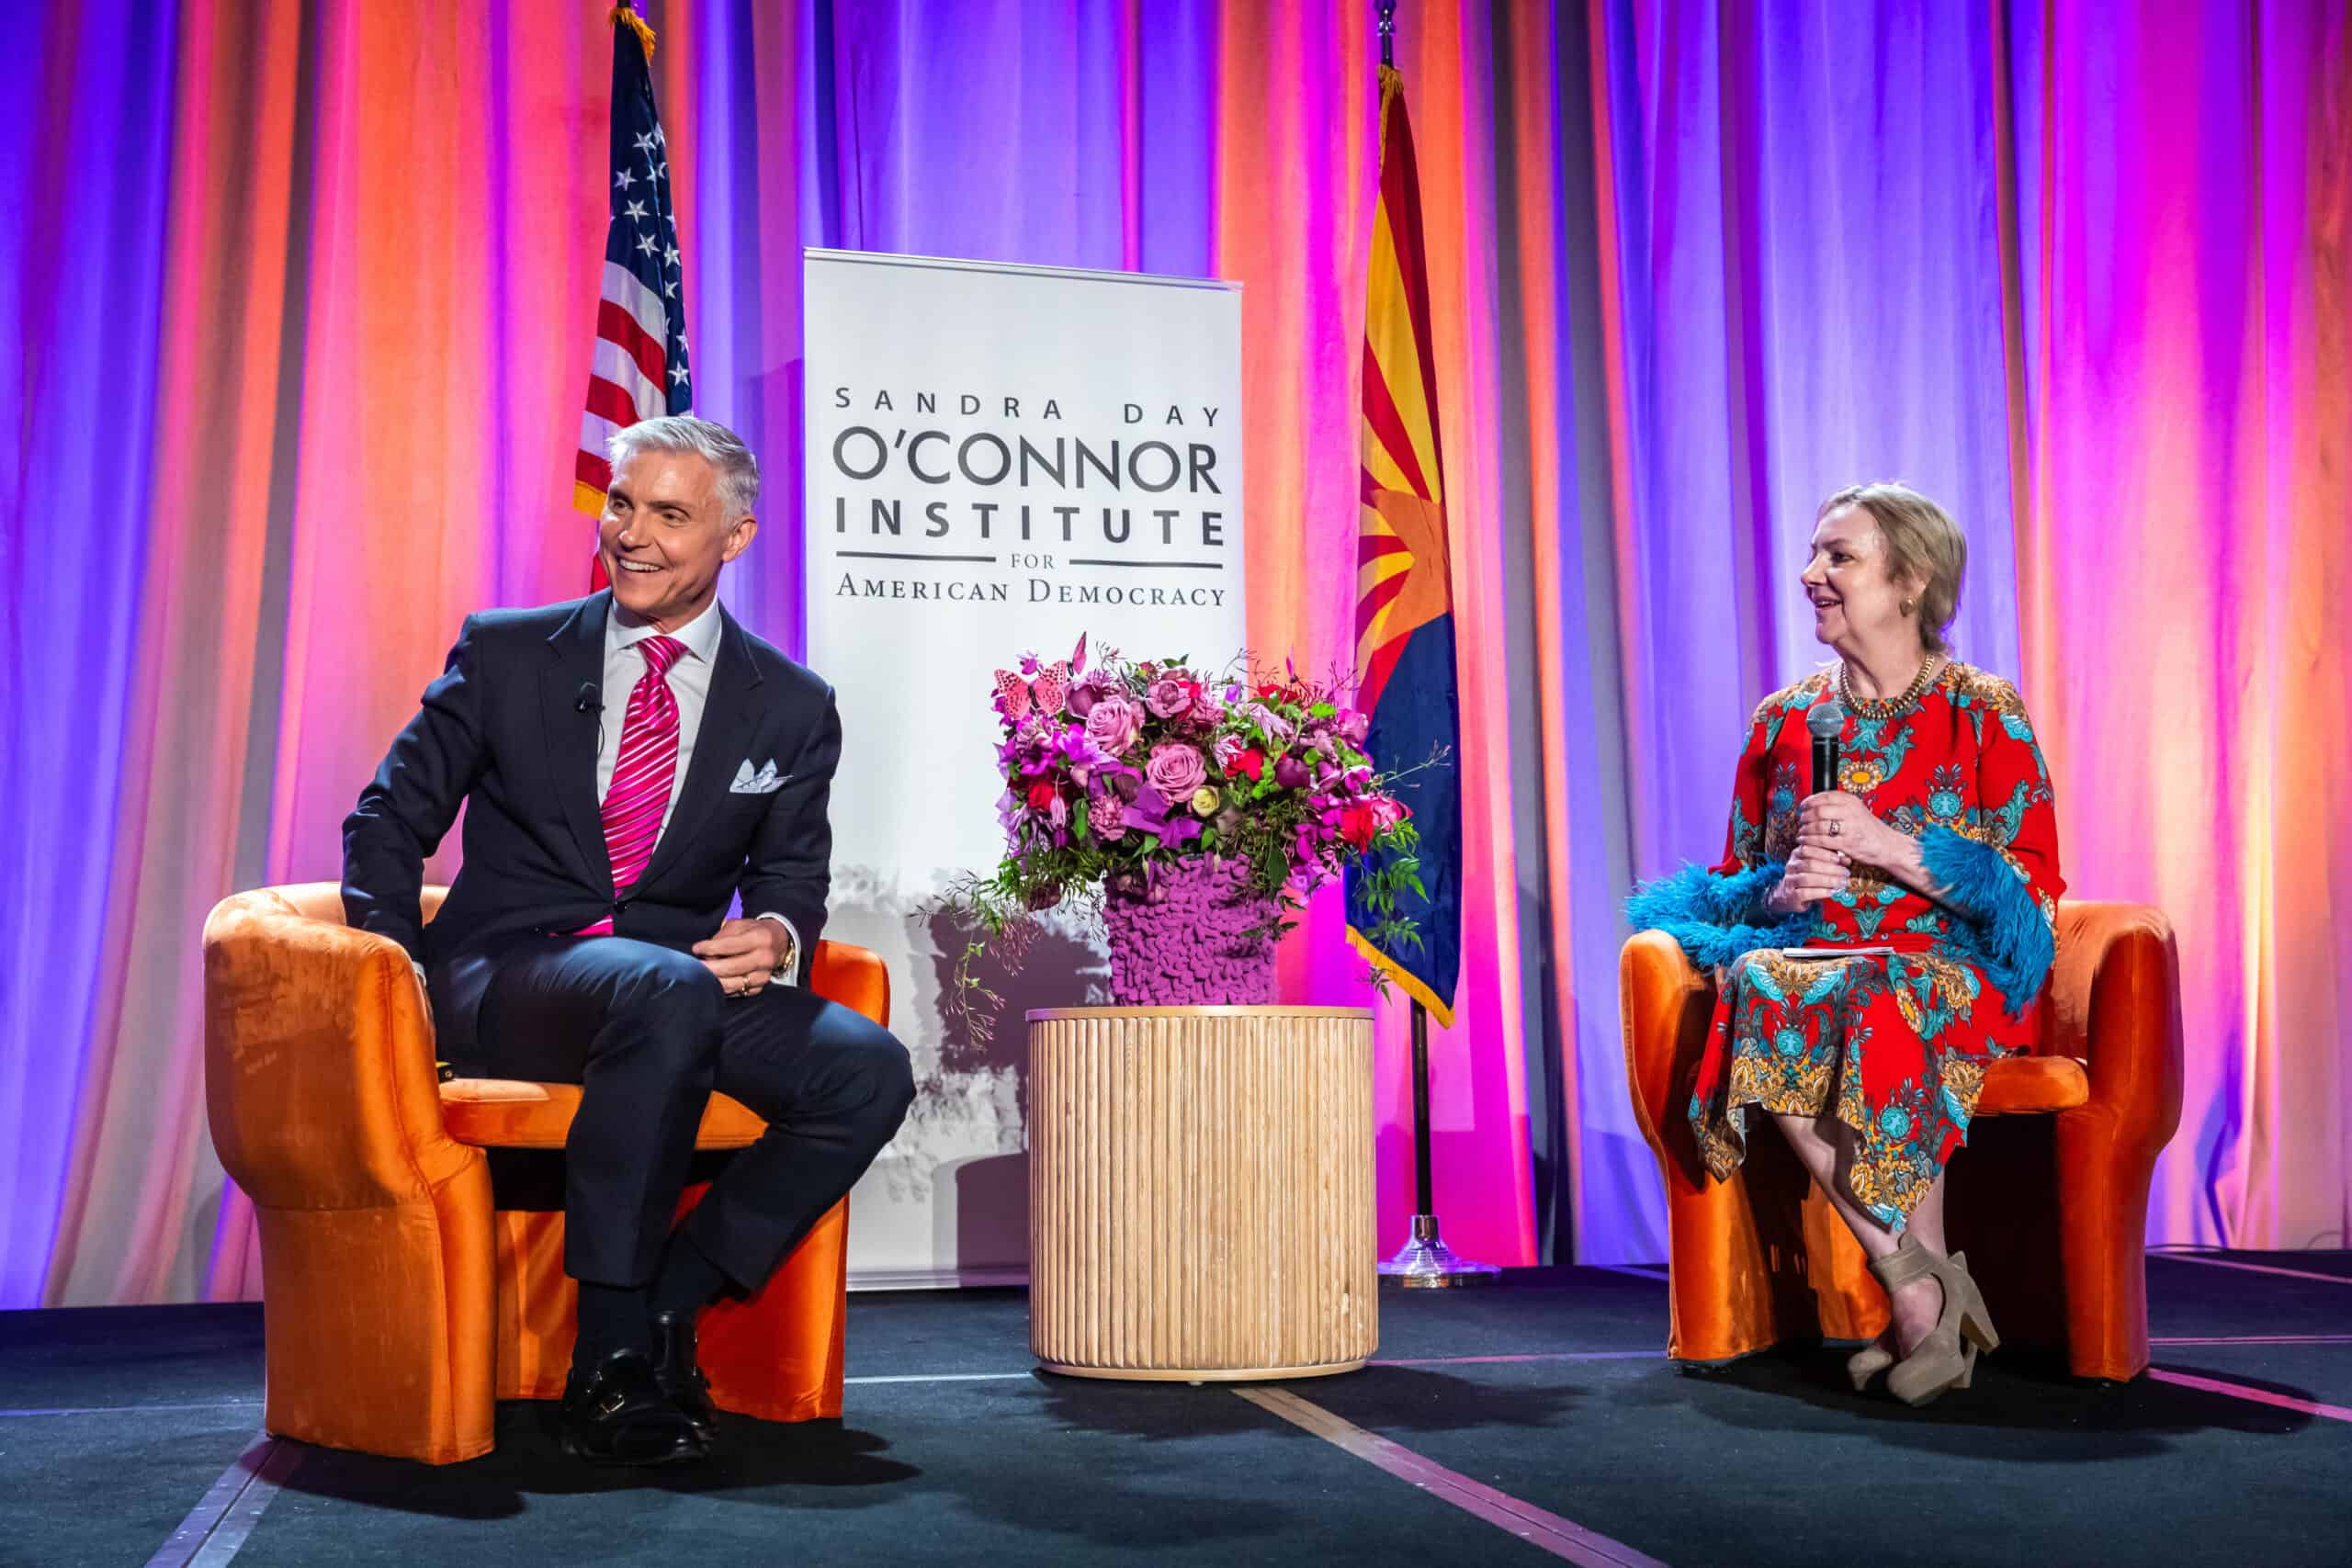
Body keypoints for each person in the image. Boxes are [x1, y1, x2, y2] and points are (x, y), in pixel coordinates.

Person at [344, 415, 913, 1465]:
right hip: (506, 976)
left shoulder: (789, 704)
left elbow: (790, 872)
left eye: (669, 514)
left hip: (674, 991)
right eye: (621, 504)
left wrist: (780, 933)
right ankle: (603, 1363)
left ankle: (665, 1305)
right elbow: (386, 821)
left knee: (864, 1072)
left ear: (734, 539)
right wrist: (392, 980)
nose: (632, 535)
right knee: (659, 991)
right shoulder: (510, 651)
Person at [1628, 481, 2063, 1406]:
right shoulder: (1784, 721)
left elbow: (2030, 892)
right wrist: (1779, 888)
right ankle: (1919, 1282)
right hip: (1813, 961)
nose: (1809, 575)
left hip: (1948, 968)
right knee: (1761, 977)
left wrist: (1886, 846)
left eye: (1838, 557)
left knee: (1870, 991)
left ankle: (1919, 1300)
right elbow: (1732, 878)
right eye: (1813, 555)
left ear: (1909, 581)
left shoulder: (1983, 711)